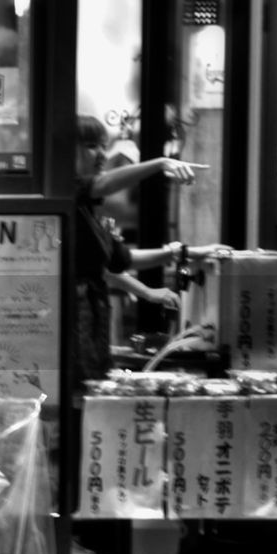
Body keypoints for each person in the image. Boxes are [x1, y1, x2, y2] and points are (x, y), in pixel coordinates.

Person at [73, 114, 222, 383]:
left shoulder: (89, 211)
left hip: (94, 317)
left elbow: (121, 259)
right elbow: (101, 184)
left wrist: (182, 252)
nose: (101, 155)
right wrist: (161, 163)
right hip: (71, 320)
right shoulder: (66, 192)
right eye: (90, 145)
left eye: (103, 146)